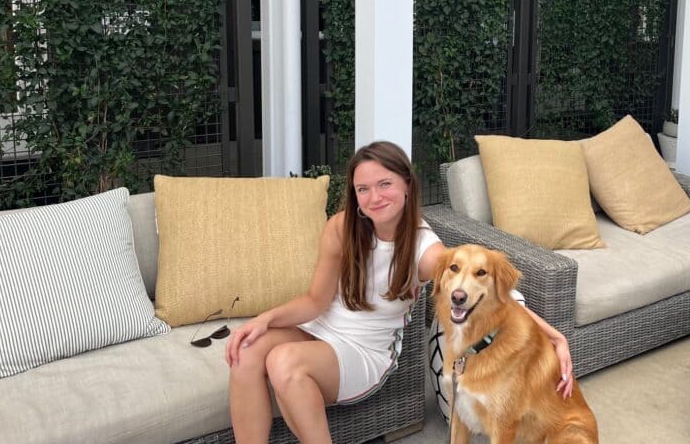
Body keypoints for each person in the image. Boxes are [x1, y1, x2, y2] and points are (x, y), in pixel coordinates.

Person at [225, 141, 573, 443]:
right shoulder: (342, 227)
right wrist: (264, 320)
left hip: (364, 351)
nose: (374, 197)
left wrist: (555, 337)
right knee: (247, 350)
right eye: (363, 189)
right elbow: (315, 301)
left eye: (384, 184)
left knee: (283, 361)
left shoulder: (424, 250)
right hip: (321, 330)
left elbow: (487, 292)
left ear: (407, 184)